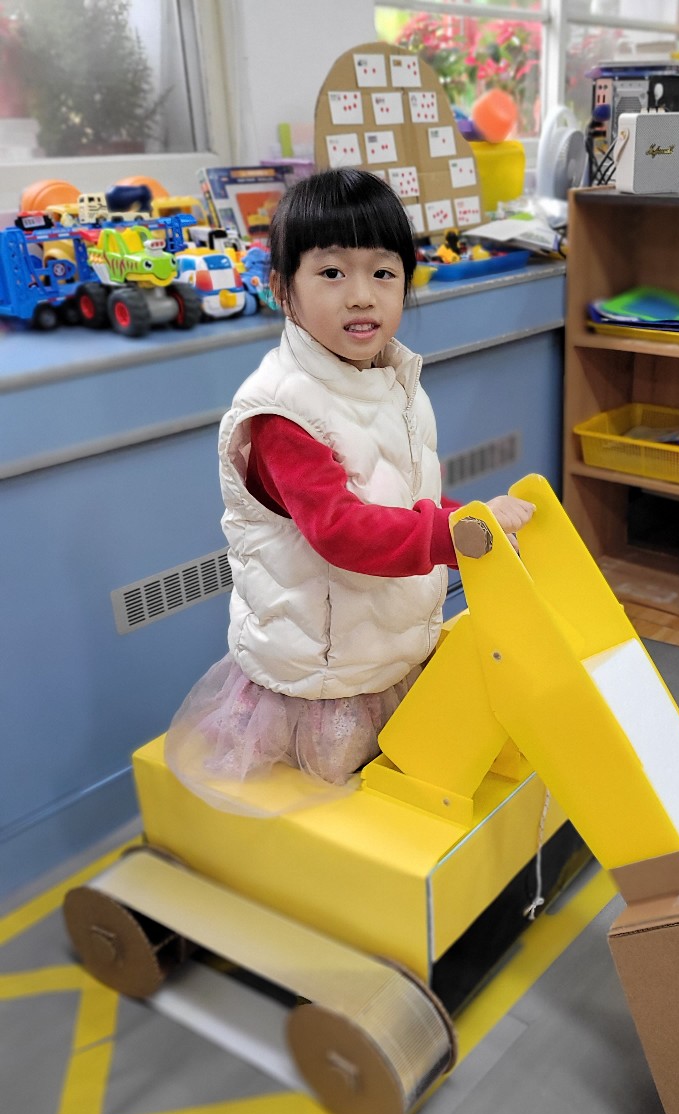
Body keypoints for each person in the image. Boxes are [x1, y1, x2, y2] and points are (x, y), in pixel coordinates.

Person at [165, 168, 534, 805]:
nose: (362, 296)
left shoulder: (388, 379)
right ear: (283, 290)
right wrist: (456, 534)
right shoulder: (284, 412)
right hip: (325, 677)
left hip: (384, 645)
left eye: (383, 273)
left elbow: (404, 500)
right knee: (348, 801)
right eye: (332, 272)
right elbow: (341, 531)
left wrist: (472, 524)